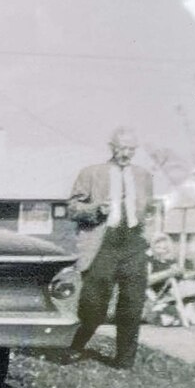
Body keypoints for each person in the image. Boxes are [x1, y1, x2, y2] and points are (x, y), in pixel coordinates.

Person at [64, 126, 155, 368]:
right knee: (94, 305)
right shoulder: (92, 173)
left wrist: (151, 238)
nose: (126, 153)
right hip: (103, 244)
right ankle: (74, 346)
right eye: (121, 148)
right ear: (111, 147)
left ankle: (124, 361)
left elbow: (150, 211)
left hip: (134, 244)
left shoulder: (144, 176)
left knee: (132, 305)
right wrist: (95, 209)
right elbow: (72, 208)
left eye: (131, 149)